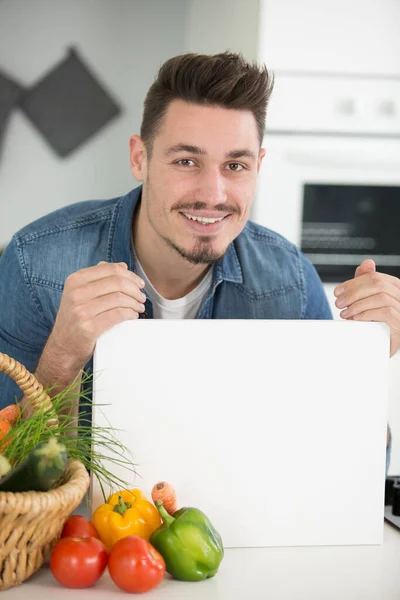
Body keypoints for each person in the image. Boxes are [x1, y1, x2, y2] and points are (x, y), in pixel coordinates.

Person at [0, 53, 397, 471]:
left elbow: (339, 470)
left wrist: (365, 369)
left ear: (258, 167)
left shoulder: (291, 280)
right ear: (140, 158)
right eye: (186, 161)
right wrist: (62, 357)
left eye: (235, 165)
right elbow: (11, 474)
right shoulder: (34, 263)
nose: (214, 193)